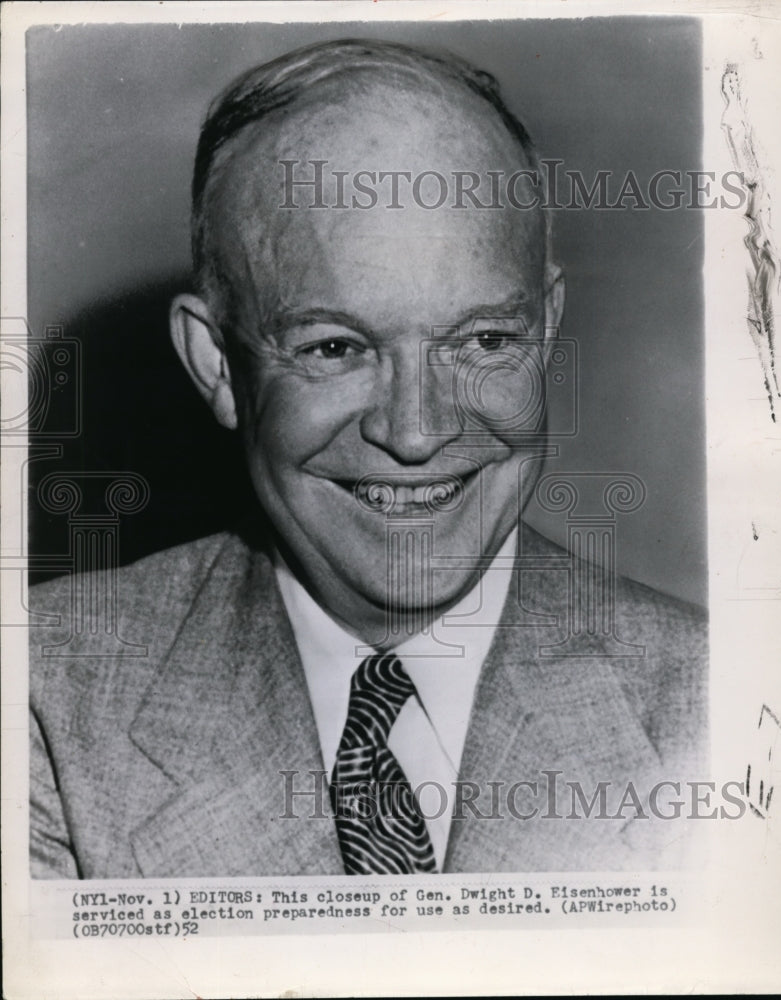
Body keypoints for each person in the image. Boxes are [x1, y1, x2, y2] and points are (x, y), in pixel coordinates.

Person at [29, 38, 707, 879]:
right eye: (334, 348)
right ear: (216, 362)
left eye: (485, 339)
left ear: (546, 330)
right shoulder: (41, 700)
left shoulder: (726, 706)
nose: (415, 433)